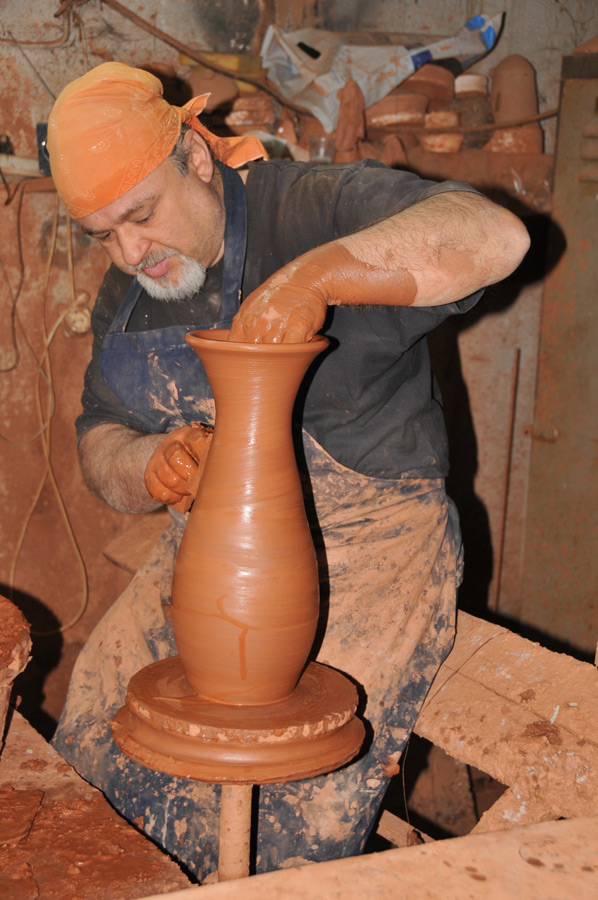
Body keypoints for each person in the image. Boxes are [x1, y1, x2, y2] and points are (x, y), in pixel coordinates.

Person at [47, 62, 529, 881]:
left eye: (141, 216)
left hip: (372, 554)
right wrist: (148, 463)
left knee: (291, 810)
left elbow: (497, 237)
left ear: (196, 158)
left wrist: (315, 277)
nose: (129, 252)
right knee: (93, 746)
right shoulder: (131, 288)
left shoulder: (312, 205)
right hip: (207, 555)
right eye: (101, 235)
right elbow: (99, 438)